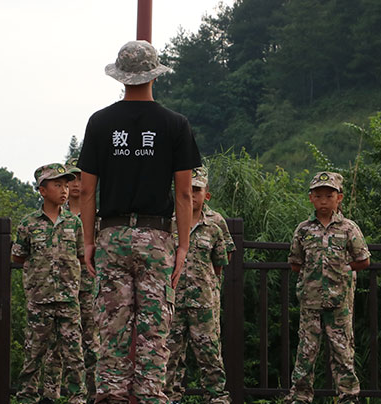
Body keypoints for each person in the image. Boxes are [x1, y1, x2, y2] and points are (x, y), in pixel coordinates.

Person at [77, 39, 202, 403]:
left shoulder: (100, 123)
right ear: (153, 75)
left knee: (112, 328)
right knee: (153, 331)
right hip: (157, 236)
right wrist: (183, 244)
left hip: (112, 234)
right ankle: (149, 396)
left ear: (121, 77)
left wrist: (89, 240)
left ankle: (111, 397)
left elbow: (87, 191)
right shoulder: (175, 124)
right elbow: (183, 193)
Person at [283, 172, 369, 404]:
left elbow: (363, 260)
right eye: (318, 195)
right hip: (310, 302)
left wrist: (342, 269)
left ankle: (348, 397)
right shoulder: (303, 230)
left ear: (338, 198)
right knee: (306, 352)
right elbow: (295, 263)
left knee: (343, 352)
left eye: (329, 195)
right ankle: (300, 397)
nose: (323, 200)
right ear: (311, 198)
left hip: (340, 303)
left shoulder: (349, 228)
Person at [12, 163, 85, 404]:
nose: (64, 190)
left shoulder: (74, 223)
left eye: (66, 185)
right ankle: (27, 398)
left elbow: (82, 256)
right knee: (34, 353)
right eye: (57, 185)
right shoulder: (28, 223)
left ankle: (77, 398)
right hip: (39, 300)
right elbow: (18, 256)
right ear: (42, 190)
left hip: (68, 299)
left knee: (74, 354)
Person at [164, 166, 231, 404]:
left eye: (197, 190)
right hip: (173, 299)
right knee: (170, 353)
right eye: (188, 189)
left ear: (207, 194)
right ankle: (169, 397)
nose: (192, 194)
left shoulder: (215, 224)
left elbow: (221, 262)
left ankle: (216, 398)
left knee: (209, 353)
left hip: (204, 301)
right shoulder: (169, 221)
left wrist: (210, 290)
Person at [62, 156, 99, 402]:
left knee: (93, 345)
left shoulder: (97, 216)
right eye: (72, 178)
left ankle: (96, 395)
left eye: (81, 178)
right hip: (61, 290)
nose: (76, 184)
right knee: (61, 348)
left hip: (89, 287)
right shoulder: (55, 214)